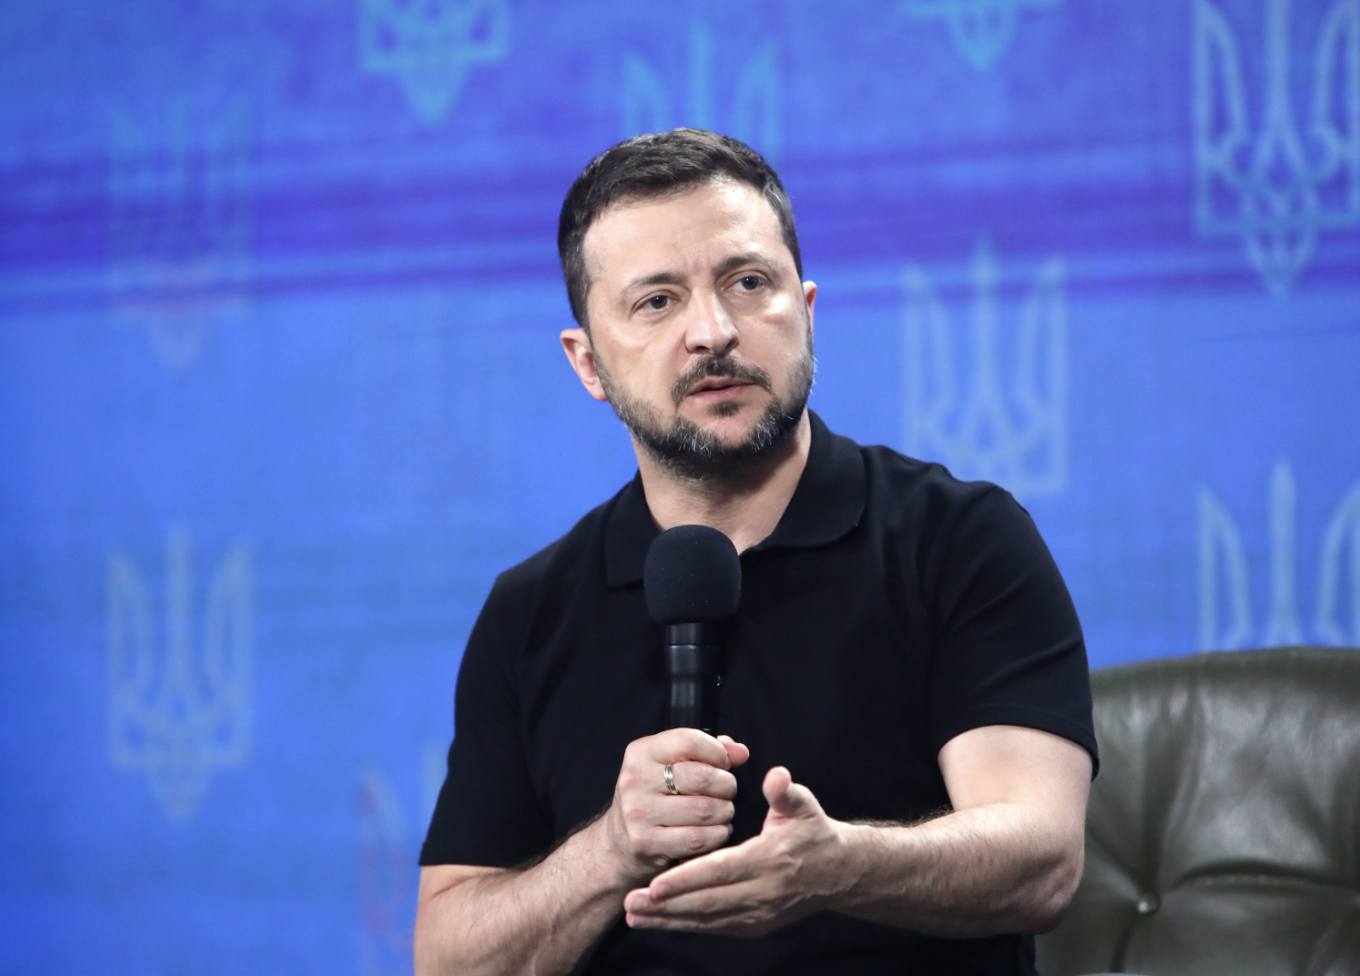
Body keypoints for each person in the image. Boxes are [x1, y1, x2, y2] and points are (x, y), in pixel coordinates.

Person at [414, 128, 1097, 976]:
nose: (712, 331)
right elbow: (449, 960)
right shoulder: (530, 610)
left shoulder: (959, 537)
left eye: (747, 283)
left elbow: (1043, 860)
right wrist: (609, 851)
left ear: (805, 311)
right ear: (588, 363)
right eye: (657, 301)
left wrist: (838, 867)